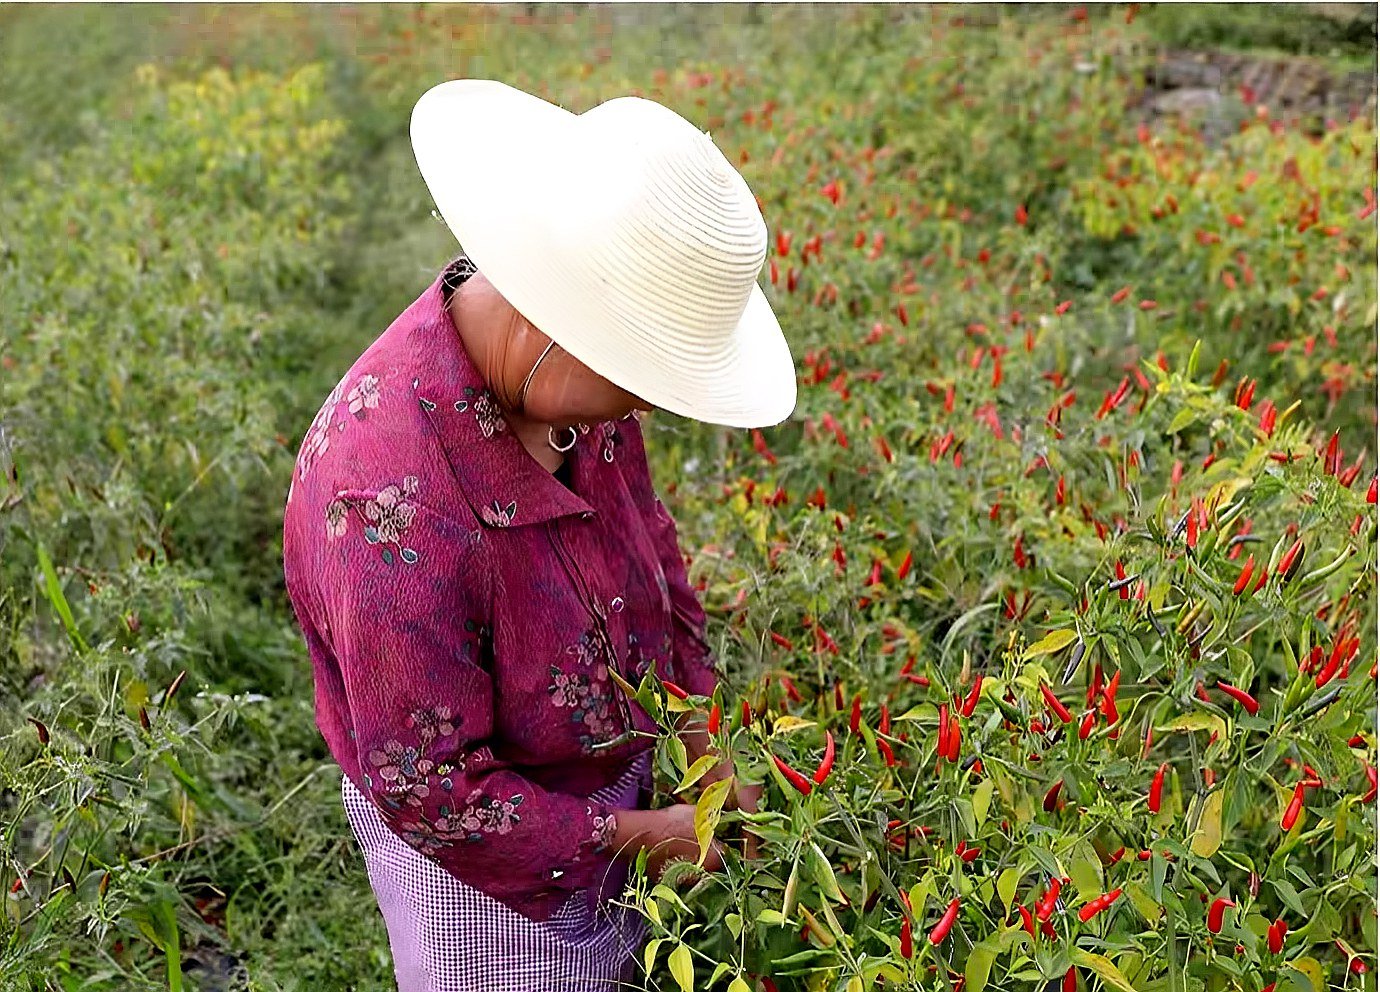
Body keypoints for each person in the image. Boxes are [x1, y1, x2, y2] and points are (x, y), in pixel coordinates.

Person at [280, 79, 796, 992]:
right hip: (479, 858)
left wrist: (698, 735)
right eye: (638, 379)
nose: (642, 406)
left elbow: (653, 552)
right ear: (549, 324)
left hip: (609, 784)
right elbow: (431, 787)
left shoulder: (571, 389)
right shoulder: (386, 504)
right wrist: (637, 841)